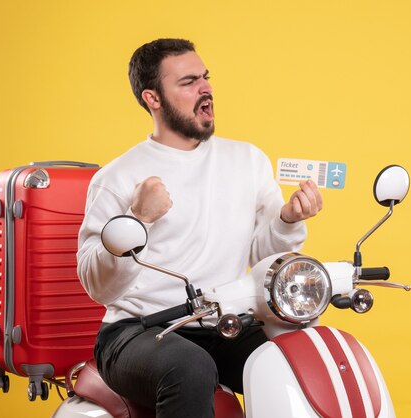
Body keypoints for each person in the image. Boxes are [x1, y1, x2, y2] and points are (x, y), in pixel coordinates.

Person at [76, 38, 323, 418]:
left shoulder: (248, 160)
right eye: (189, 81)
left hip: (223, 323)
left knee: (299, 358)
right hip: (136, 332)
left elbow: (264, 257)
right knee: (189, 367)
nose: (205, 88)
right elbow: (97, 286)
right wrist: (137, 220)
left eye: (205, 77)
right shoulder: (117, 176)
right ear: (153, 98)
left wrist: (287, 220)